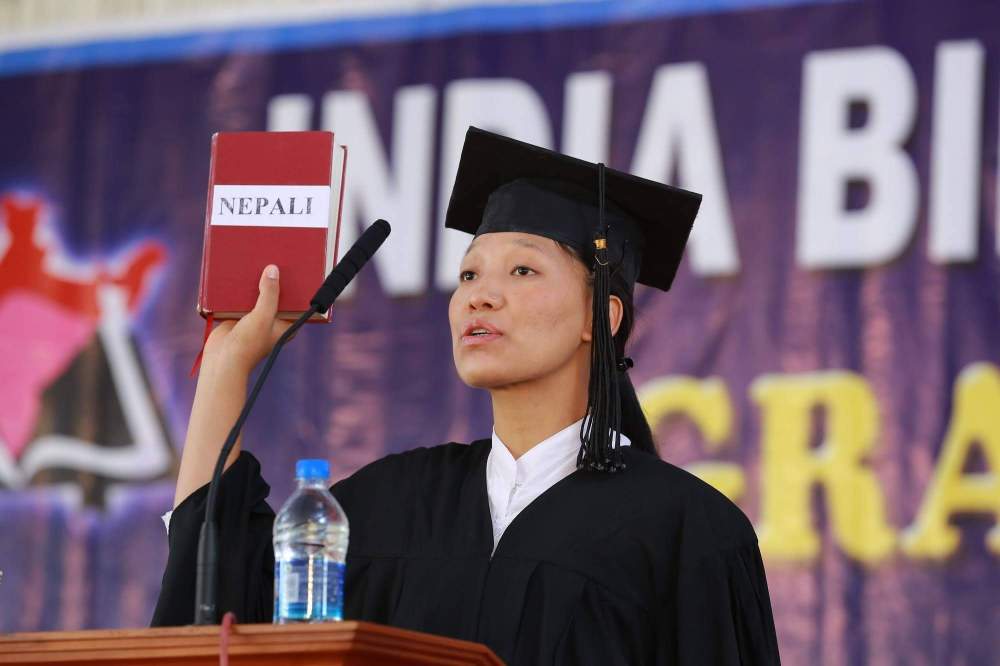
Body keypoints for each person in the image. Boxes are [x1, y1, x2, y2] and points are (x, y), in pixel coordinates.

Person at [152, 127, 780, 665]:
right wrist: (225, 370)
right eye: (469, 275)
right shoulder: (392, 501)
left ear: (602, 316)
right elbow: (225, 604)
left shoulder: (687, 530)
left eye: (523, 270)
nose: (479, 295)